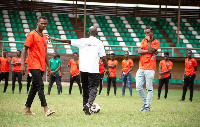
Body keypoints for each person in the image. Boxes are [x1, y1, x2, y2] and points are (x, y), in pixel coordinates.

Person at [49, 26, 109, 115]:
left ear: (89, 33)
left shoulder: (82, 41)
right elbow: (103, 57)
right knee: (93, 88)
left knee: (85, 88)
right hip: (93, 70)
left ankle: (85, 107)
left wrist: (54, 38)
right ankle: (89, 104)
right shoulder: (99, 43)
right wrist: (107, 68)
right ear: (96, 33)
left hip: (83, 70)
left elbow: (68, 41)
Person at [20, 16, 55, 116]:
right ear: (37, 23)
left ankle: (27, 110)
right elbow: (24, 49)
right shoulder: (31, 34)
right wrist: (23, 64)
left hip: (41, 66)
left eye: (45, 24)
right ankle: (46, 109)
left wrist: (48, 66)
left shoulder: (44, 37)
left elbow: (45, 53)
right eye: (42, 23)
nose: (44, 25)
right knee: (40, 85)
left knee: (34, 87)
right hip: (33, 65)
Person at [136, 27, 160, 112]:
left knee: (149, 88)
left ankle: (147, 107)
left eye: (148, 33)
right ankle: (147, 104)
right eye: (145, 33)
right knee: (138, 87)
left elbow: (150, 50)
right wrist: (151, 51)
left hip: (150, 68)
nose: (146, 35)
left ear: (152, 32)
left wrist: (149, 42)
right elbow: (139, 51)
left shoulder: (156, 42)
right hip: (141, 67)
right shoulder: (143, 41)